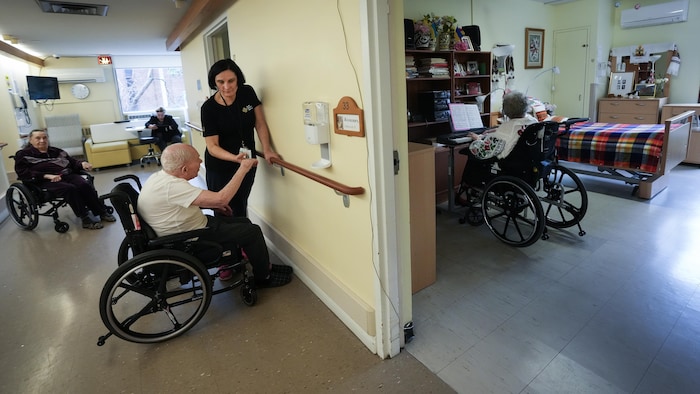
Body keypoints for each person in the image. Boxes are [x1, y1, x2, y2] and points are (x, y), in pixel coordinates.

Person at [137, 143, 292, 287]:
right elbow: (221, 198)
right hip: (190, 238)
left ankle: (265, 266)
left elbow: (184, 201)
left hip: (188, 228)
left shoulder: (160, 177)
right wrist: (243, 169)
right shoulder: (172, 187)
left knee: (244, 222)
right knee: (253, 232)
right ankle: (263, 278)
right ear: (184, 169)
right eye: (197, 159)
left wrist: (215, 205)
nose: (200, 161)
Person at [200, 58, 281, 218]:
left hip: (247, 160)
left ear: (238, 79)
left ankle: (243, 240)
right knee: (223, 207)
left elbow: (260, 123)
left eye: (231, 80)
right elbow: (212, 146)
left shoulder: (247, 93)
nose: (226, 86)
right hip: (220, 165)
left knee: (240, 203)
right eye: (220, 82)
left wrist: (267, 149)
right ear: (214, 82)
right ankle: (228, 242)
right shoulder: (209, 108)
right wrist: (235, 159)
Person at [14, 129, 116, 230]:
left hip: (66, 175)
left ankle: (101, 212)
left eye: (44, 137)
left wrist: (82, 164)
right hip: (44, 181)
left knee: (84, 185)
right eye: (38, 138)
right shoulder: (23, 155)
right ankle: (85, 218)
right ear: (30, 140)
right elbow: (23, 172)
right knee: (70, 189)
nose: (42, 140)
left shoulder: (56, 151)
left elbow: (71, 161)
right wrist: (46, 175)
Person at [461, 91, 537, 187]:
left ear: (506, 110)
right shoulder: (533, 121)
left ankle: (468, 185)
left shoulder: (505, 129)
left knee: (473, 155)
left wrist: (477, 139)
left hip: (508, 167)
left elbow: (484, 150)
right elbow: (515, 131)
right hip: (528, 164)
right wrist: (497, 130)